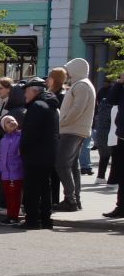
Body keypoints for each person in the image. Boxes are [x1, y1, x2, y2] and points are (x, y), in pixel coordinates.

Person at [19, 76, 60, 229]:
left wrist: (22, 150)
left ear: (35, 91)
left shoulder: (36, 106)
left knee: (32, 189)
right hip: (48, 154)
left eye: (27, 92)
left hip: (35, 155)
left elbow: (30, 134)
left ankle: (32, 220)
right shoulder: (50, 105)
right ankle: (45, 219)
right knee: (45, 187)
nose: (25, 95)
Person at [57, 58, 96, 212]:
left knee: (62, 164)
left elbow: (77, 108)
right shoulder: (82, 84)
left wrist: (63, 122)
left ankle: (71, 200)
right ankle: (74, 199)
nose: (66, 72)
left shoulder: (81, 85)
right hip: (76, 129)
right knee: (73, 166)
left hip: (72, 130)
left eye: (68, 69)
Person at [0, 113, 26, 227]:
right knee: (8, 196)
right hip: (5, 174)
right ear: (4, 127)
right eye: (8, 122)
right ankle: (10, 215)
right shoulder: (3, 140)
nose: (11, 122)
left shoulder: (21, 137)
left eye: (13, 120)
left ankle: (14, 217)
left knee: (15, 196)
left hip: (16, 172)